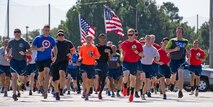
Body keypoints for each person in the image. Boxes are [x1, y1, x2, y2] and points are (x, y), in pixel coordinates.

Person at [31, 25, 57, 99]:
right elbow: (32, 47)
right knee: (41, 75)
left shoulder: (51, 39)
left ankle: (45, 91)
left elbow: (55, 47)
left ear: (49, 31)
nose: (46, 32)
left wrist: (55, 56)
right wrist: (38, 49)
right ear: (42, 30)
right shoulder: (38, 38)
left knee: (46, 73)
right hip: (39, 60)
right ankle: (41, 86)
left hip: (47, 59)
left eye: (48, 30)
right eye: (45, 30)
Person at [6, 28, 31, 101]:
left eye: (18, 32)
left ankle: (19, 83)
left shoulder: (24, 42)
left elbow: (30, 52)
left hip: (22, 62)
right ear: (14, 33)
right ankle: (14, 94)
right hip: (14, 61)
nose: (17, 33)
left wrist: (25, 53)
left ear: (20, 33)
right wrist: (7, 54)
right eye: (15, 32)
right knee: (14, 76)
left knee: (21, 77)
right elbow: (7, 49)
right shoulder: (11, 42)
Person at [166, 27, 190, 98]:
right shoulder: (172, 41)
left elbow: (188, 49)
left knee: (180, 73)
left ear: (182, 33)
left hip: (181, 60)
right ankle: (172, 84)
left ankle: (180, 91)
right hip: (173, 60)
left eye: (180, 32)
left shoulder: (185, 41)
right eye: (177, 32)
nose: (178, 33)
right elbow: (166, 50)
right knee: (173, 76)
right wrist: (174, 49)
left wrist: (189, 55)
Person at [120, 28, 143, 102]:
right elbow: (122, 51)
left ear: (134, 35)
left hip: (134, 62)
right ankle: (125, 86)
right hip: (126, 62)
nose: (129, 36)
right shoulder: (124, 43)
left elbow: (142, 55)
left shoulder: (138, 44)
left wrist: (138, 53)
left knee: (133, 78)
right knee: (126, 74)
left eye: (131, 34)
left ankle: (132, 94)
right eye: (128, 34)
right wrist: (121, 56)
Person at [51, 30, 74, 100]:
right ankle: (56, 91)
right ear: (57, 36)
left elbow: (73, 50)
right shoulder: (54, 42)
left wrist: (71, 54)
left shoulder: (68, 43)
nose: (61, 36)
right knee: (55, 79)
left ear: (64, 36)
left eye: (62, 35)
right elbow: (49, 50)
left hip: (64, 61)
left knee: (62, 74)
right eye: (59, 35)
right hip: (55, 62)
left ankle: (61, 89)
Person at [79, 35, 100, 101]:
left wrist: (92, 55)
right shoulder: (82, 47)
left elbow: (98, 57)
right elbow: (80, 55)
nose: (88, 40)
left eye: (90, 39)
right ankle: (84, 90)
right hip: (84, 64)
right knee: (84, 77)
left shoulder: (94, 48)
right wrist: (80, 58)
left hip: (91, 65)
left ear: (92, 40)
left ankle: (87, 93)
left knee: (90, 81)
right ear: (85, 39)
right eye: (87, 39)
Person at [140, 35, 160, 100]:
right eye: (147, 39)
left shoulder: (154, 49)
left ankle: (143, 94)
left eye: (149, 39)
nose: (148, 40)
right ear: (145, 40)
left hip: (149, 66)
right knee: (142, 78)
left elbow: (157, 57)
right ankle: (140, 87)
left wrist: (157, 58)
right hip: (142, 65)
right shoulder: (142, 48)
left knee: (147, 82)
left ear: (151, 40)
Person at [95, 33, 112, 99]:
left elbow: (110, 58)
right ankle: (98, 85)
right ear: (99, 39)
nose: (102, 39)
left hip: (104, 64)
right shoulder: (96, 47)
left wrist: (109, 53)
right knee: (97, 76)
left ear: (105, 39)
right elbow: (93, 55)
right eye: (101, 38)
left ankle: (100, 93)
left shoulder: (108, 48)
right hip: (97, 63)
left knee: (104, 78)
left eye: (103, 38)